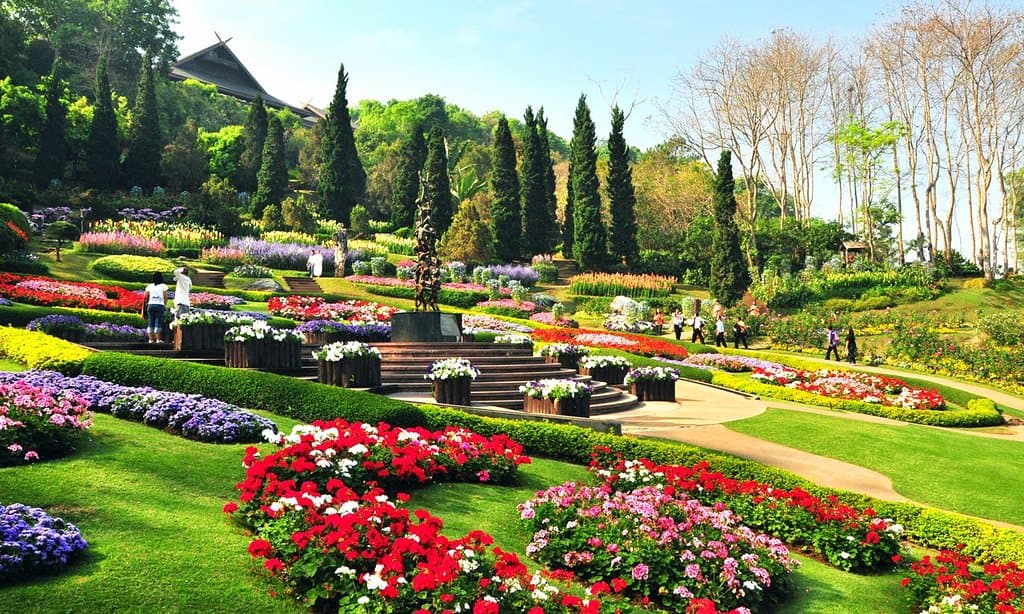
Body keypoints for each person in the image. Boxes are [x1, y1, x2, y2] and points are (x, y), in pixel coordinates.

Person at [142, 272, 169, 344]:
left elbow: (145, 296)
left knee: (150, 322)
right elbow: (166, 296)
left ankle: (151, 339)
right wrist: (164, 304)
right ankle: (158, 339)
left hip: (151, 305)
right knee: (158, 322)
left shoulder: (150, 286)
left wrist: (148, 302)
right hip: (160, 305)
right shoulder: (163, 286)